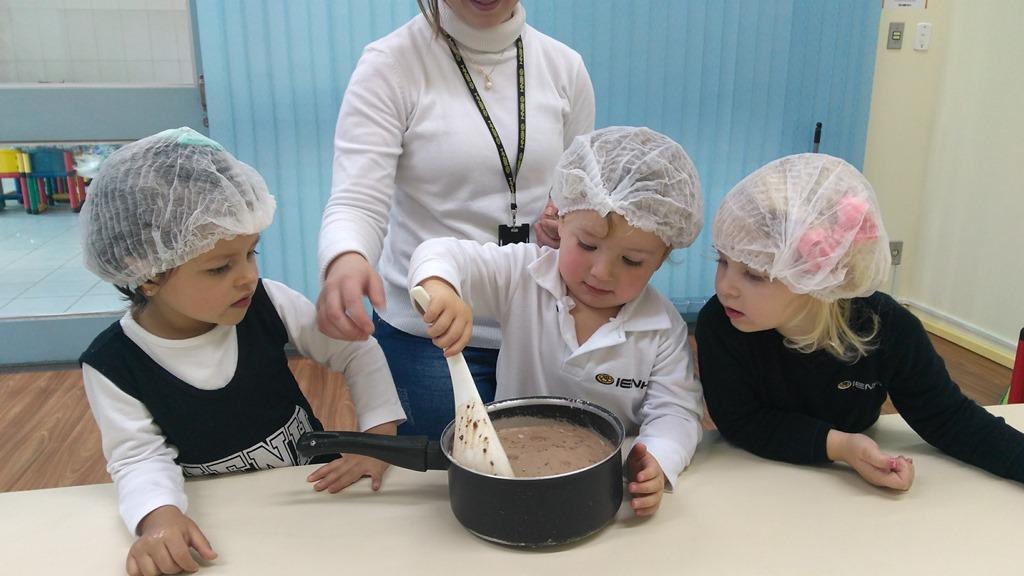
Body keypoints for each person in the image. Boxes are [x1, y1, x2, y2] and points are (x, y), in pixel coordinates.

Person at [78, 128, 406, 576]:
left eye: (251, 253)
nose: (247, 277)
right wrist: (160, 519)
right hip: (226, 529)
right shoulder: (112, 365)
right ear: (145, 272)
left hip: (314, 497)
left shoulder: (268, 302)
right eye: (220, 268)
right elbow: (137, 456)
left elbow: (356, 351)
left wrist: (377, 439)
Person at [316, 0, 596, 438]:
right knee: (446, 485)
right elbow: (356, 198)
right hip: (428, 332)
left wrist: (561, 218)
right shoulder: (391, 64)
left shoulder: (564, 67)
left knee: (541, 467)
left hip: (538, 322)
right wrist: (346, 258)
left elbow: (580, 189)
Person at [408, 127, 705, 516]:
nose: (601, 272)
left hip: (604, 487)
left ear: (661, 259)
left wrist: (660, 458)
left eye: (632, 261)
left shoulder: (662, 328)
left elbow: (676, 412)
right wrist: (441, 288)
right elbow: (440, 252)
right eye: (587, 245)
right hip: (510, 472)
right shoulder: (522, 275)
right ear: (560, 220)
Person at [697, 153, 1024, 491]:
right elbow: (743, 421)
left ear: (815, 273)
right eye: (722, 261)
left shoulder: (888, 328)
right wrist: (841, 447)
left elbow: (949, 418)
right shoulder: (721, 325)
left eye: (754, 274)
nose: (724, 287)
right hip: (755, 486)